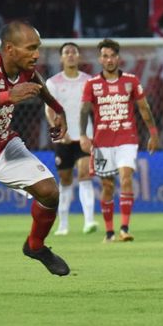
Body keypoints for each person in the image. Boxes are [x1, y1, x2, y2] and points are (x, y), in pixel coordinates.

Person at [0, 21, 71, 296]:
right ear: (10, 49)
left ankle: (35, 245)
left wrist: (57, 108)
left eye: (38, 48)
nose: (36, 54)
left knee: (49, 191)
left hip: (3, 145)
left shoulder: (25, 69)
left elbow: (36, 82)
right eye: (31, 48)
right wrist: (8, 96)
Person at [79, 38, 159, 243]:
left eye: (113, 55)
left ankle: (124, 228)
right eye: (105, 56)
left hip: (127, 138)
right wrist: (82, 135)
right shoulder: (91, 84)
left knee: (125, 179)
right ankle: (109, 232)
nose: (109, 59)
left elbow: (143, 108)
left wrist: (153, 132)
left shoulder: (131, 81)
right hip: (102, 142)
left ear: (118, 58)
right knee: (107, 186)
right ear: (100, 59)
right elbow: (85, 110)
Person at [44, 42, 97, 236]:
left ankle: (89, 221)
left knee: (85, 174)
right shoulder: (53, 82)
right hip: (63, 138)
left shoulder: (89, 81)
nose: (71, 55)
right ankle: (63, 225)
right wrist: (59, 132)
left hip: (84, 136)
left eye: (74, 52)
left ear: (79, 57)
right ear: (61, 58)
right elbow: (49, 110)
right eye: (67, 52)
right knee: (65, 180)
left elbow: (95, 109)